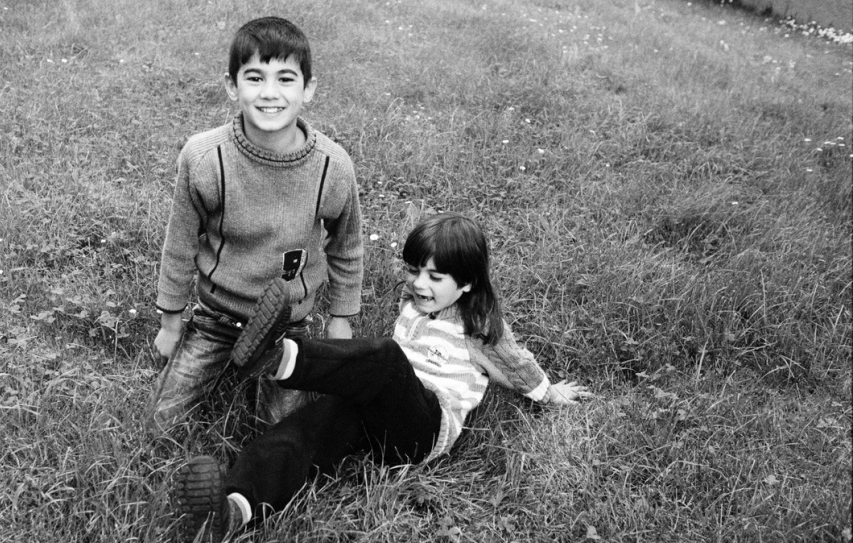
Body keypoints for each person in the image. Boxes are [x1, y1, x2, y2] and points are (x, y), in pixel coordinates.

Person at [174, 213, 591, 542]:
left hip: (422, 430)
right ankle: (234, 509)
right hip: (376, 421)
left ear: (466, 283)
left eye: (434, 277)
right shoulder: (412, 305)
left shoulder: (477, 323)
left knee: (387, 359)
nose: (418, 283)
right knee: (304, 428)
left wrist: (548, 392)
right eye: (413, 271)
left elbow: (515, 363)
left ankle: (279, 359)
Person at [146, 16, 365, 436]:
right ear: (232, 86)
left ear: (309, 89)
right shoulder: (203, 158)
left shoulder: (332, 167)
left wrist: (341, 318)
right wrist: (170, 324)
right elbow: (179, 244)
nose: (270, 93)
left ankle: (273, 369)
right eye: (254, 77)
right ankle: (214, 354)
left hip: (288, 323)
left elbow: (348, 245)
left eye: (286, 78)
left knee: (283, 435)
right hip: (217, 317)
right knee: (161, 425)